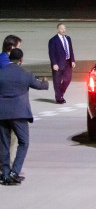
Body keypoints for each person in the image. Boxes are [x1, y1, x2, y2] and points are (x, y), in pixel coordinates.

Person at [0, 48, 49, 185]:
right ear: (21, 59)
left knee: (4, 143)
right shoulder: (25, 74)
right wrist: (45, 81)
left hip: (2, 113)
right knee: (24, 142)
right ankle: (14, 172)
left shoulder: (1, 73)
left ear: (10, 58)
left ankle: (5, 173)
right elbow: (41, 86)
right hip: (19, 113)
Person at [47, 23, 76, 104]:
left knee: (68, 79)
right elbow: (51, 53)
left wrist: (72, 60)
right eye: (61, 28)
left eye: (64, 28)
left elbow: (71, 50)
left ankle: (60, 93)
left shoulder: (68, 38)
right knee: (57, 82)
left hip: (67, 62)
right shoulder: (53, 40)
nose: (63, 30)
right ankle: (59, 98)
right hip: (58, 64)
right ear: (58, 30)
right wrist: (54, 64)